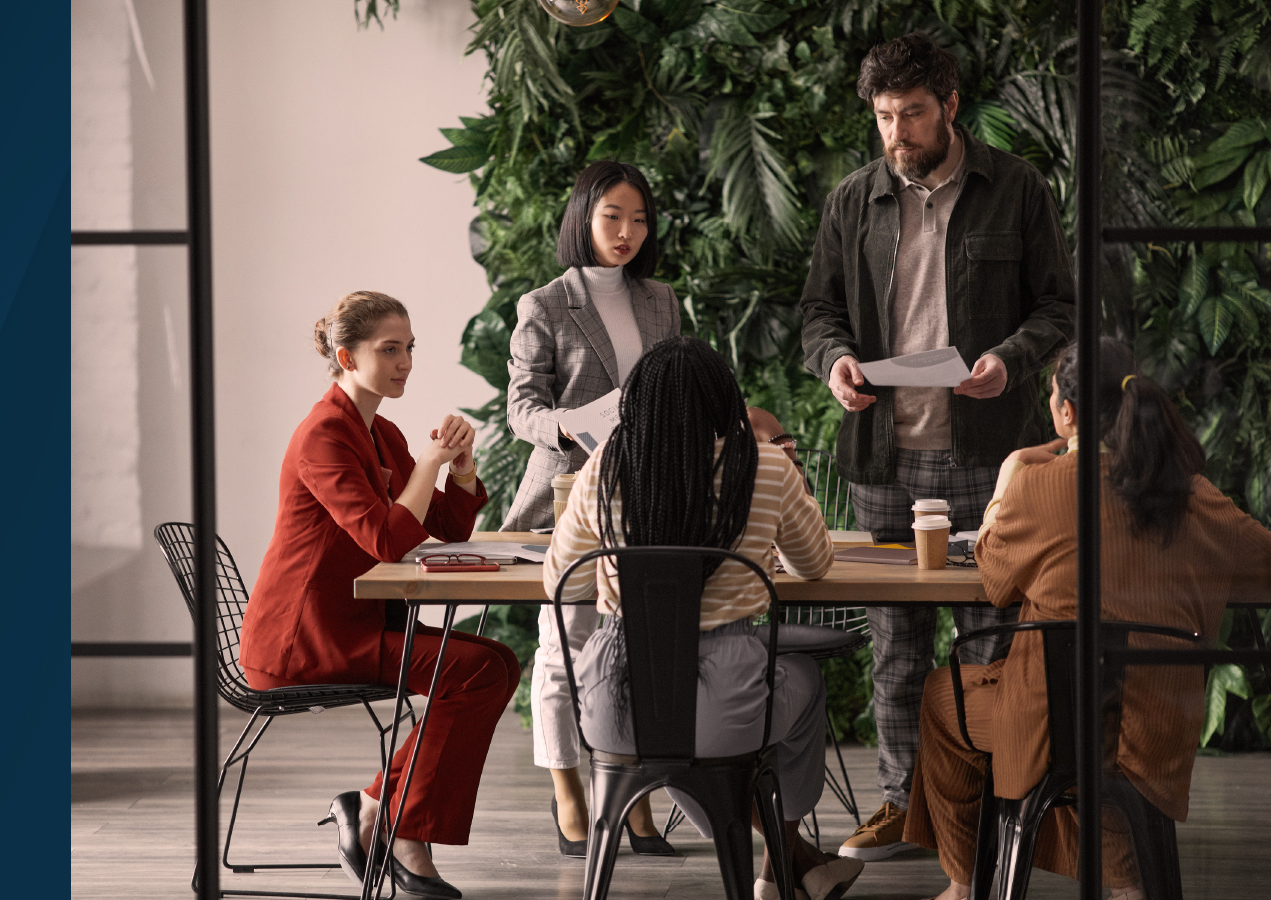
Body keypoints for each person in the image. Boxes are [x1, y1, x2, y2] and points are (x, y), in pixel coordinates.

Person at [797, 31, 1076, 860]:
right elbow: (818, 312)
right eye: (883, 117)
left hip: (994, 457)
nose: (896, 134)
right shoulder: (855, 199)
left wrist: (1010, 359)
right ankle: (899, 805)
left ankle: (986, 808)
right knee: (896, 643)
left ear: (950, 107)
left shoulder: (1016, 188)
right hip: (885, 455)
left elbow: (1058, 307)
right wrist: (834, 362)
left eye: (912, 114)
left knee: (991, 638)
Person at [904, 336, 1271, 900]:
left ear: (1066, 412)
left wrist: (1006, 481)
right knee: (1089, 733)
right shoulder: (1193, 495)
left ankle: (964, 884)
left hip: (1054, 730)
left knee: (941, 695)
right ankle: (1121, 875)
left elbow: (997, 582)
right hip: (1155, 731)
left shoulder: (1038, 486)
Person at [544, 336, 865, 900]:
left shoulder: (606, 464)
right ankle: (782, 862)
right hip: (726, 698)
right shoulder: (764, 465)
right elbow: (814, 565)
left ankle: (792, 865)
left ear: (635, 404)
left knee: (681, 747)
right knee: (801, 685)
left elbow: (558, 578)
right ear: (724, 401)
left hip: (615, 706)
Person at [239, 291, 521, 900]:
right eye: (389, 349)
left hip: (356, 620)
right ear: (346, 355)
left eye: (410, 348)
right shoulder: (325, 434)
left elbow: (444, 524)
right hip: (306, 637)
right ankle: (403, 831)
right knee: (472, 672)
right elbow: (387, 540)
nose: (405, 362)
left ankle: (372, 805)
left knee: (496, 663)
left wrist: (461, 469)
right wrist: (427, 465)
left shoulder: (378, 429)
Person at [503, 160, 684, 856]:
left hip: (647, 497)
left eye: (640, 219)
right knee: (563, 652)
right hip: (571, 497)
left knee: (636, 651)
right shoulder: (545, 304)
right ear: (583, 216)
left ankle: (630, 794)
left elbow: (674, 389)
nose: (628, 231)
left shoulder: (661, 300)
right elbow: (522, 411)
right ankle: (569, 793)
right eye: (613, 215)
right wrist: (578, 421)